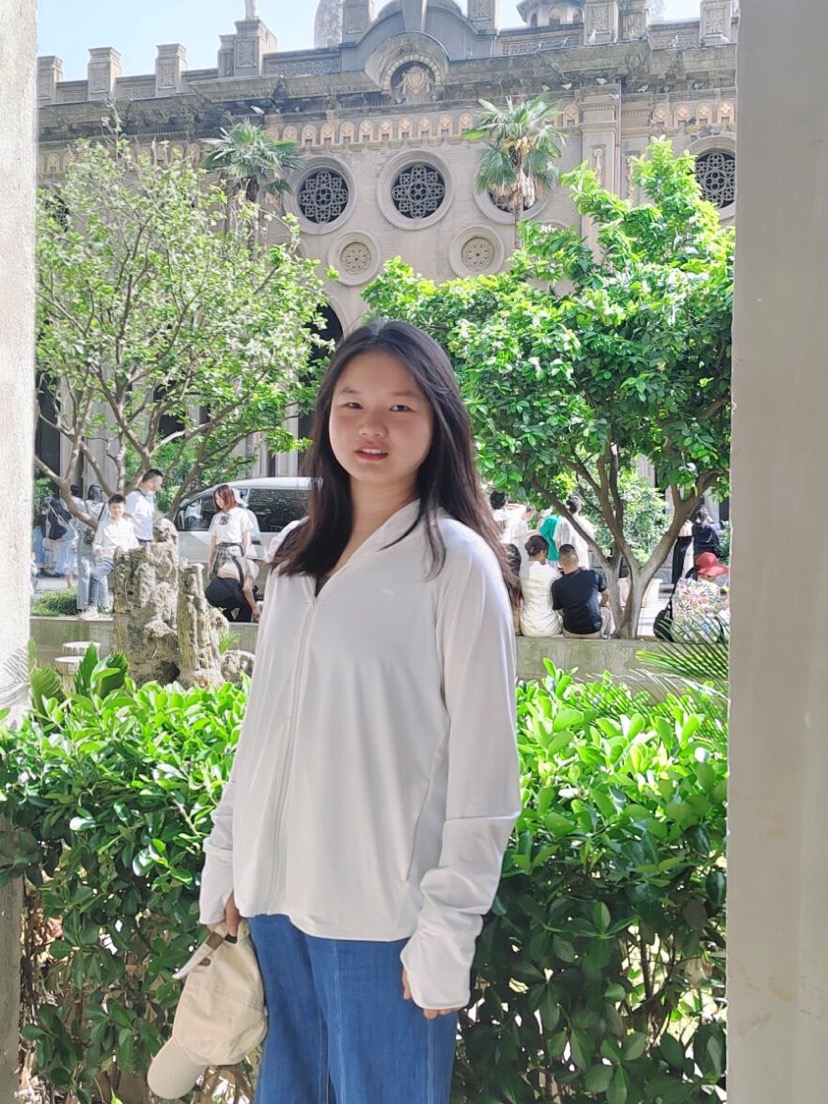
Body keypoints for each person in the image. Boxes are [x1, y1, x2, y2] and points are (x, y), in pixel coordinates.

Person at [199, 320, 520, 1104]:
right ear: (325, 419)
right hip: (278, 902)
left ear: (438, 420)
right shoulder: (296, 557)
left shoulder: (455, 564)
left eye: (400, 407)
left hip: (384, 920)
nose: (372, 427)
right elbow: (264, 731)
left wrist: (447, 930)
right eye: (352, 404)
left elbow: (486, 772)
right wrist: (230, 860)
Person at [79, 494, 138, 619]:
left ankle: (130, 608)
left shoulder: (128, 525)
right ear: (109, 508)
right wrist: (97, 548)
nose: (116, 510)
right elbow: (96, 543)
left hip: (125, 560)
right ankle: (92, 608)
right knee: (94, 575)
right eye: (114, 507)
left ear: (124, 508)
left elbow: (134, 544)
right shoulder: (103, 524)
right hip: (108, 560)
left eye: (119, 507)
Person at [552, 543, 613, 638]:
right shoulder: (593, 575)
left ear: (560, 562)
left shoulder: (557, 584)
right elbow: (607, 594)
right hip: (593, 630)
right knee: (606, 610)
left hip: (571, 631)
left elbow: (559, 610)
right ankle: (605, 638)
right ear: (578, 559)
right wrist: (602, 604)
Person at [672, 552, 729, 642]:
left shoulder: (681, 583)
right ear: (707, 574)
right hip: (703, 636)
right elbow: (714, 611)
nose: (716, 577)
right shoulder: (713, 588)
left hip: (677, 634)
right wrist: (726, 602)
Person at [207, 484, 254, 578]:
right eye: (216, 499)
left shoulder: (241, 513)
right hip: (220, 551)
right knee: (218, 580)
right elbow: (213, 540)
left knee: (235, 579)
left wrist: (246, 554)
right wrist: (209, 560)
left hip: (236, 551)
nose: (219, 501)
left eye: (221, 498)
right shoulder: (217, 517)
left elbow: (246, 536)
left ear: (229, 497)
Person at [520, 534, 562, 637]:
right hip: (549, 626)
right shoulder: (552, 573)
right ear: (543, 552)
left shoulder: (521, 571)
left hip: (527, 626)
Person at [76, 484, 108, 614]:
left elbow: (77, 524)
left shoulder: (82, 505)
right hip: (100, 545)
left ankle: (84, 604)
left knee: (84, 573)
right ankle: (104, 604)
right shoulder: (106, 507)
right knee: (101, 572)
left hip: (85, 542)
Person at [205, 554, 261, 622]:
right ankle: (242, 624)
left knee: (228, 601)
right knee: (251, 599)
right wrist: (255, 608)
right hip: (227, 593)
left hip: (210, 594)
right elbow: (246, 588)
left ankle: (228, 620)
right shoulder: (252, 565)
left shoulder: (234, 560)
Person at [554, 495, 596, 570]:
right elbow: (592, 542)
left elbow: (557, 543)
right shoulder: (586, 523)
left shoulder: (561, 522)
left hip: (565, 562)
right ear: (579, 508)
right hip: (582, 561)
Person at [125, 469, 164, 546]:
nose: (160, 488)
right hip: (137, 541)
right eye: (159, 484)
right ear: (150, 483)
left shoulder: (149, 498)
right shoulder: (134, 497)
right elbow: (126, 519)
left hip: (147, 540)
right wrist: (132, 539)